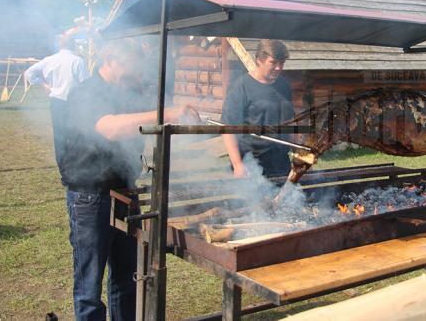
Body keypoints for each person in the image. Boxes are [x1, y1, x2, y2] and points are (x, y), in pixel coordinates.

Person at [59, 39, 199, 320]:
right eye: (133, 66)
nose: (137, 73)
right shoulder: (86, 92)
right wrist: (166, 113)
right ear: (111, 60)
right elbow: (110, 127)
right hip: (90, 197)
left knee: (126, 279)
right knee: (89, 285)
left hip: (125, 193)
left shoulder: (126, 92)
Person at [221, 39, 295, 178]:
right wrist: (237, 164)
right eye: (273, 63)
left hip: (281, 162)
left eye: (281, 63)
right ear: (259, 60)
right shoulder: (241, 86)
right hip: (252, 164)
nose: (279, 68)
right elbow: (228, 128)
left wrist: (299, 150)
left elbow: (290, 120)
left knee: (285, 200)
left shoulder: (283, 85)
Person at [25, 31, 88, 166]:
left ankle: (63, 167)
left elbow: (29, 73)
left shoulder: (49, 60)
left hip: (57, 102)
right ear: (73, 45)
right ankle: (75, 165)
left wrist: (43, 84)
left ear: (60, 45)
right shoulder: (78, 61)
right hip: (74, 103)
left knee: (60, 136)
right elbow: (85, 84)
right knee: (76, 135)